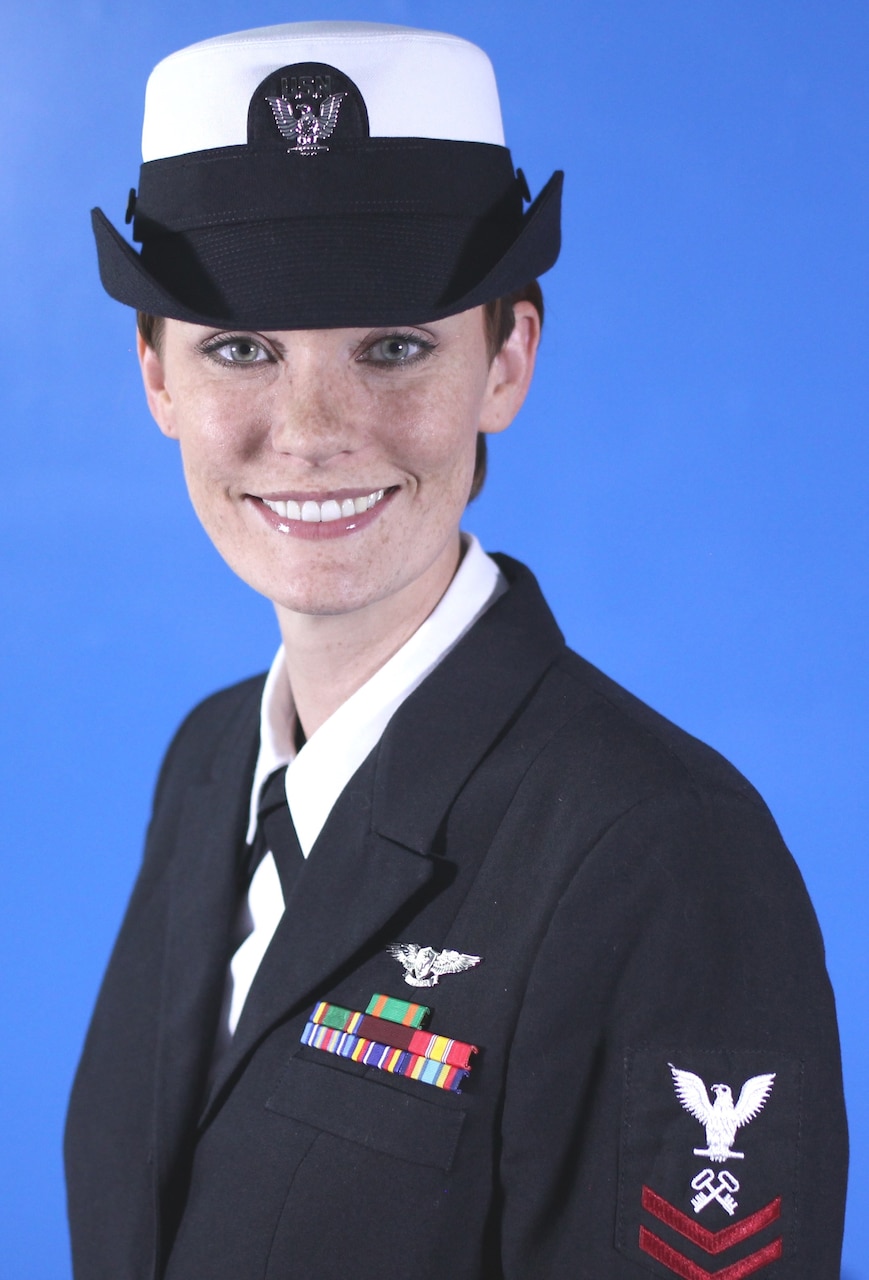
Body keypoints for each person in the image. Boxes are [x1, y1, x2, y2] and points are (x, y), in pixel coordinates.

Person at [65, 20, 848, 1280]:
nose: (311, 432)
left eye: (392, 346)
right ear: (155, 375)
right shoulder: (208, 764)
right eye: (240, 348)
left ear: (508, 357)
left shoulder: (661, 850)